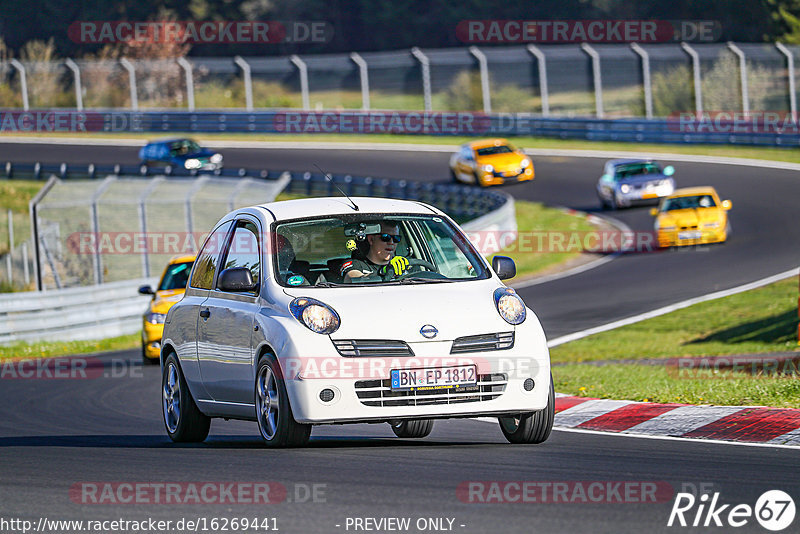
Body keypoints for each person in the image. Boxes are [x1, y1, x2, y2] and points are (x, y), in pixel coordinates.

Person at [341, 221, 410, 281]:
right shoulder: (356, 265)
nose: (391, 242)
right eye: (385, 237)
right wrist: (386, 271)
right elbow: (353, 278)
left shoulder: (402, 265)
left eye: (396, 238)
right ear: (371, 239)